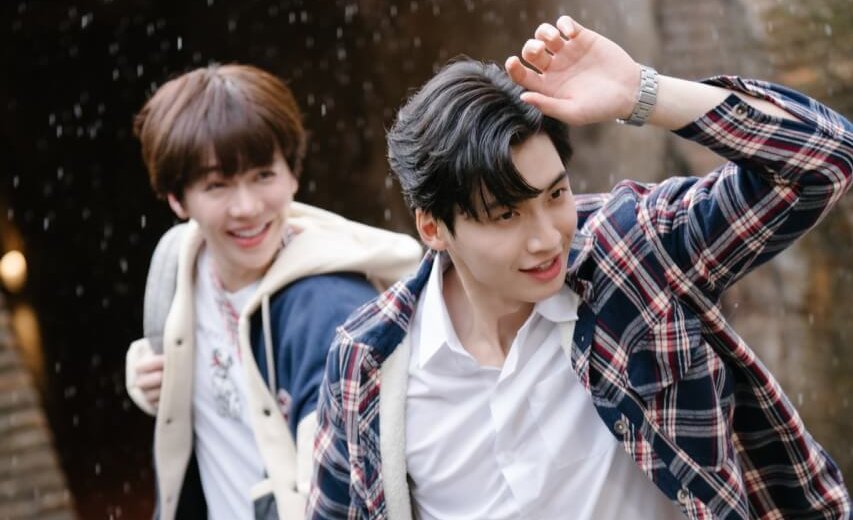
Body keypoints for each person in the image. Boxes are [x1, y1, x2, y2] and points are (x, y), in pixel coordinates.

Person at [308, 15, 852, 520]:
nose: (548, 239)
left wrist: (642, 92)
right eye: (506, 215)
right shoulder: (369, 364)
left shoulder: (628, 254)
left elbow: (824, 162)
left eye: (555, 194)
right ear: (433, 228)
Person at [123, 64, 422, 520]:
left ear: (293, 173)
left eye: (264, 175)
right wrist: (153, 375)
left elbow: (342, 488)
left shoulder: (329, 310)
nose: (247, 208)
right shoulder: (178, 263)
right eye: (217, 185)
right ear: (177, 199)